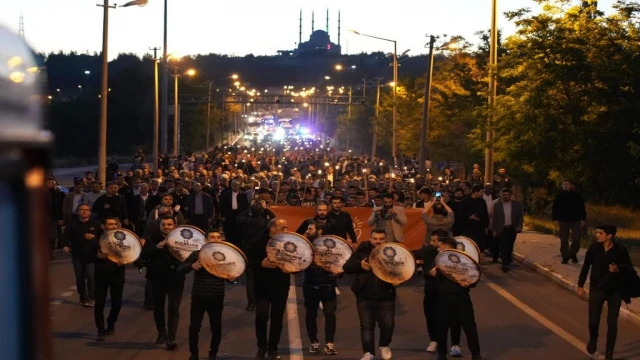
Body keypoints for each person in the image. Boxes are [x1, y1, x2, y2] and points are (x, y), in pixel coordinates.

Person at [577, 224, 633, 360]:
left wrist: (618, 269)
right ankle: (593, 339)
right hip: (597, 289)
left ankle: (609, 352)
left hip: (615, 291)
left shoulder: (621, 250)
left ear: (609, 236)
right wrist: (580, 285)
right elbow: (585, 267)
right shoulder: (593, 248)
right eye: (597, 232)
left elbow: (629, 268)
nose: (597, 235)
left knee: (612, 322)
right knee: (593, 320)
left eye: (600, 233)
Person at [343, 228, 396, 360]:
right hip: (364, 295)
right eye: (375, 238)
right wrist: (359, 264)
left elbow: (401, 269)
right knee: (367, 326)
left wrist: (398, 282)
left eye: (381, 239)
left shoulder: (393, 252)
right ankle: (368, 353)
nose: (378, 241)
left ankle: (384, 346)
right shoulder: (362, 250)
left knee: (388, 325)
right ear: (370, 238)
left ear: (385, 239)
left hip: (386, 295)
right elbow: (347, 267)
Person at [431, 237, 484, 360]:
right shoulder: (438, 261)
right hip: (443, 299)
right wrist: (431, 273)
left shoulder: (464, 261)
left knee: (469, 327)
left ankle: (476, 354)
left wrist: (469, 283)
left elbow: (474, 277)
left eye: (440, 247)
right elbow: (428, 277)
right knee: (442, 327)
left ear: (447, 247)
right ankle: (442, 354)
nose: (439, 249)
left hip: (462, 298)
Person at [412, 229, 462, 356]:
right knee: (431, 316)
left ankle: (455, 344)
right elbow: (412, 254)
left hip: (450, 291)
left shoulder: (456, 253)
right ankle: (434, 340)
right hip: (431, 289)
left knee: (453, 317)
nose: (430, 243)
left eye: (434, 241)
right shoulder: (428, 251)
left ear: (442, 242)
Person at [178, 231, 227, 360]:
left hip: (217, 296)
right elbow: (180, 269)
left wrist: (233, 278)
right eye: (212, 237)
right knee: (194, 327)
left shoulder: (226, 256)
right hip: (199, 296)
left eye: (218, 237)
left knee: (216, 328)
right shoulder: (197, 254)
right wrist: (192, 266)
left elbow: (233, 277)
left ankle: (213, 354)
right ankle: (194, 354)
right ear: (206, 240)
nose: (215, 239)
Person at [246, 218, 290, 359]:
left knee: (277, 319)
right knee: (262, 316)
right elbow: (246, 262)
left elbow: (298, 261)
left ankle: (273, 349)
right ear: (272, 229)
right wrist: (261, 264)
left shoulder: (288, 244)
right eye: (283, 228)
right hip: (262, 287)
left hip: (281, 286)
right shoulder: (257, 242)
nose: (286, 231)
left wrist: (293, 269)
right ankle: (262, 346)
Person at [142, 216, 185, 350]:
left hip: (175, 279)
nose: (166, 227)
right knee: (158, 308)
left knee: (173, 308)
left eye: (169, 224)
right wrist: (156, 247)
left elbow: (189, 257)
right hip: (156, 278)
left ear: (174, 225)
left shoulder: (181, 239)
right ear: (160, 226)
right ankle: (162, 333)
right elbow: (142, 256)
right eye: (164, 224)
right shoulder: (152, 239)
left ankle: (171, 338)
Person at [302, 221, 338, 355]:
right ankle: (313, 342)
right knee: (311, 314)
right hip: (310, 285)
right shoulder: (305, 245)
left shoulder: (330, 246)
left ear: (319, 231)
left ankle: (330, 343)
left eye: (310, 229)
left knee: (330, 314)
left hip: (327, 284)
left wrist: (339, 272)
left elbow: (339, 261)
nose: (307, 231)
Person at [62, 203, 101, 307]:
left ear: (90, 212)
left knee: (90, 276)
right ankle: (82, 297)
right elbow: (66, 236)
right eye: (81, 209)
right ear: (78, 211)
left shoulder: (96, 223)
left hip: (91, 255)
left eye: (86, 209)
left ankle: (92, 297)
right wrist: (65, 245)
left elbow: (103, 238)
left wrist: (93, 238)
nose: (84, 211)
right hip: (77, 255)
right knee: (80, 277)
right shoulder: (72, 224)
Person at [94, 216, 126, 341]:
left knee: (117, 303)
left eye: (115, 224)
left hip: (117, 274)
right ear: (103, 226)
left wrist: (125, 260)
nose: (113, 226)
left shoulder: (123, 239)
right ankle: (100, 330)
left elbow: (130, 253)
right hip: (101, 274)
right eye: (110, 224)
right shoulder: (97, 239)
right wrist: (98, 256)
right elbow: (90, 255)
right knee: (99, 304)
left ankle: (111, 322)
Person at [552, 179, 587, 264]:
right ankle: (565, 257)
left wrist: (583, 219)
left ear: (571, 185)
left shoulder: (577, 196)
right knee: (564, 239)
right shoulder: (559, 196)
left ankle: (573, 253)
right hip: (563, 220)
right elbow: (554, 208)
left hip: (576, 220)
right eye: (563, 184)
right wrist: (555, 219)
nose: (565, 186)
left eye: (567, 184)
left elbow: (582, 208)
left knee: (577, 238)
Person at [490, 188, 524, 272]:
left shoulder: (516, 204)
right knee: (503, 246)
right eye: (504, 195)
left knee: (510, 246)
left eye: (507, 195)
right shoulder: (497, 205)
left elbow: (520, 217)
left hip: (512, 228)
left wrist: (519, 226)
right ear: (501, 195)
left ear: (510, 196)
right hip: (502, 229)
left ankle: (508, 261)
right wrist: (494, 230)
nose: (506, 197)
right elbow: (495, 218)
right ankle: (504, 264)